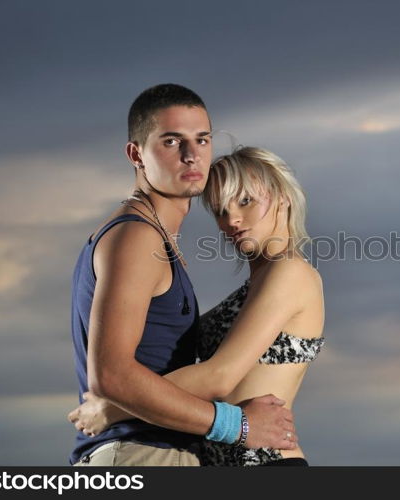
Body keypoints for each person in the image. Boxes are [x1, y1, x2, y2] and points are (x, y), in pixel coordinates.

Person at [68, 84, 297, 466]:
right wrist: (237, 426)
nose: (192, 156)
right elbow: (110, 376)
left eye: (202, 140)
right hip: (142, 454)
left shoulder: (151, 236)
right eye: (172, 142)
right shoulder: (137, 236)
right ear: (136, 153)